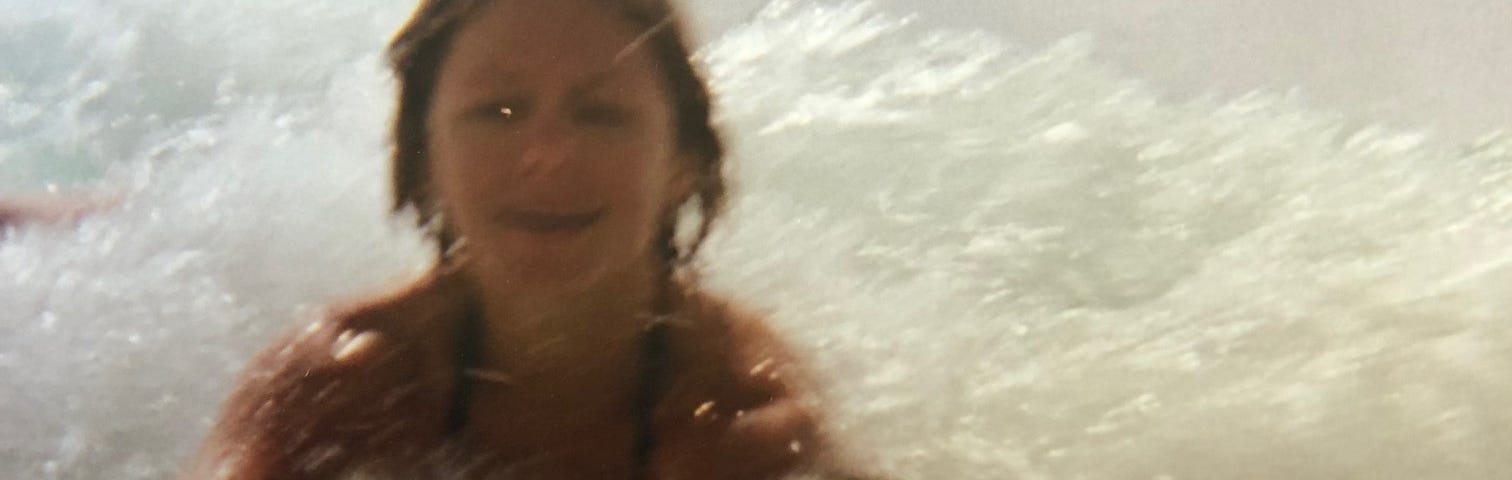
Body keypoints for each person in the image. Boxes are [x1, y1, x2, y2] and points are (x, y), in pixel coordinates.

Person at [187, 0, 864, 478]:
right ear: (426, 160)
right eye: (498, 111)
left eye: (601, 114)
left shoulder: (742, 406)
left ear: (681, 164)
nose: (547, 155)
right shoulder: (345, 384)